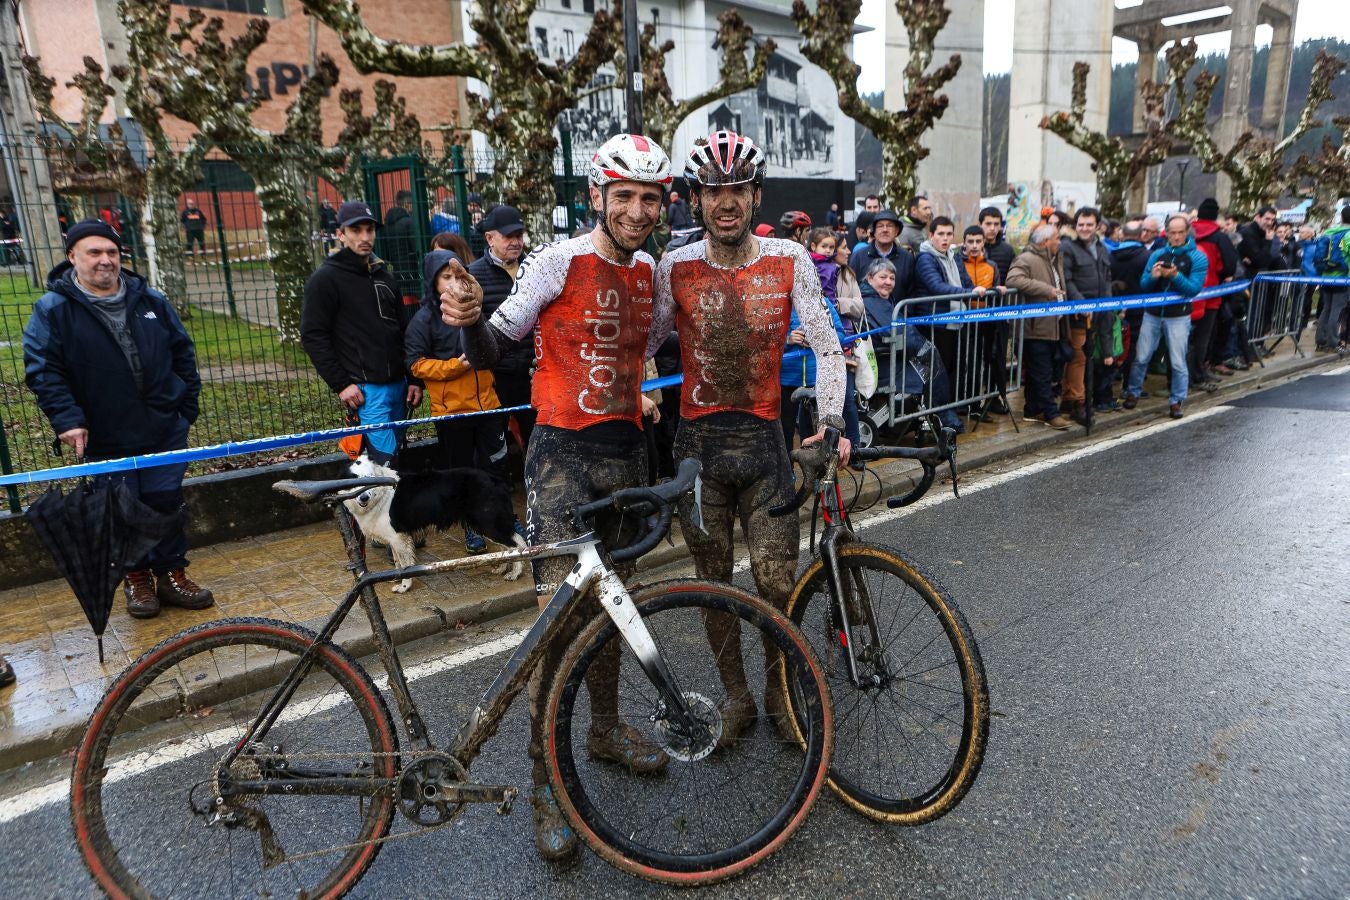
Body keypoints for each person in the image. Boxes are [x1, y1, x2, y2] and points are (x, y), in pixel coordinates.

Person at [439, 133, 674, 862]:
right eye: (625, 195)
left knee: (617, 610)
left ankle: (602, 730)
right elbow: (494, 347)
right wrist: (474, 316)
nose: (637, 210)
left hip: (626, 455)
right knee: (553, 628)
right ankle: (546, 779)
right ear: (598, 194)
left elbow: (658, 341)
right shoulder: (554, 260)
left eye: (651, 198)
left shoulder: (653, 274)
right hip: (561, 458)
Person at [646, 130, 850, 745]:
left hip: (765, 448)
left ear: (755, 196)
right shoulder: (673, 266)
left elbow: (828, 346)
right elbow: (646, 341)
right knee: (715, 589)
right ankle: (735, 697)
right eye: (713, 191)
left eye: (736, 189)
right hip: (698, 454)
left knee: (776, 584)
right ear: (695, 201)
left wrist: (832, 422)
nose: (725, 201)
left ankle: (778, 692)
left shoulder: (789, 259)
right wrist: (645, 386)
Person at [23, 219, 214, 619]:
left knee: (165, 503)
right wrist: (68, 420)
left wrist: (185, 407)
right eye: (94, 252)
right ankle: (137, 578)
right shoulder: (54, 310)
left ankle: (172, 574)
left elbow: (183, 353)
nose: (105, 260)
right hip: (106, 433)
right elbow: (44, 370)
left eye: (112, 252)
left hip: (164, 427)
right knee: (122, 509)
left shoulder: (151, 301)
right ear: (72, 256)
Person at [405, 247, 511, 553]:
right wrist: (457, 366)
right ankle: (470, 527)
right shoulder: (423, 319)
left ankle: (505, 518)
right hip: (453, 414)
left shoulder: (476, 313)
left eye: (457, 275)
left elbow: (493, 344)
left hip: (489, 407)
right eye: (445, 277)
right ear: (433, 282)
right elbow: (415, 364)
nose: (453, 282)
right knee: (460, 472)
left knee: (498, 466)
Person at [301, 200, 422, 467]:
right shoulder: (325, 280)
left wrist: (414, 378)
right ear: (341, 234)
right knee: (383, 466)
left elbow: (405, 331)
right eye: (356, 230)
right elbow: (312, 335)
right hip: (366, 392)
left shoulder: (384, 275)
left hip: (399, 387)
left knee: (396, 462)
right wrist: (341, 384)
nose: (365, 237)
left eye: (370, 229)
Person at [1123, 214, 1208, 419]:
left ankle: (1177, 400)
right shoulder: (1157, 254)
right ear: (1166, 233)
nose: (1176, 237)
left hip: (1178, 316)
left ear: (1187, 232)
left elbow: (1193, 289)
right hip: (1152, 314)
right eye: (1172, 232)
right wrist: (1153, 277)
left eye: (1180, 232)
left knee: (1178, 361)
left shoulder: (1197, 257)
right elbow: (1143, 285)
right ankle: (1133, 391)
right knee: (1141, 357)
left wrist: (1175, 276)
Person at [467, 204, 536, 451]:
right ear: (489, 238)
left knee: (537, 440)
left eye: (519, 235)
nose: (516, 242)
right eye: (509, 236)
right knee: (495, 442)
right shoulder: (474, 274)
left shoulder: (533, 268)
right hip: (496, 375)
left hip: (532, 371)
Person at [1006, 225, 1071, 429]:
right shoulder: (1026, 258)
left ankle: (1033, 409)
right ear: (1045, 241)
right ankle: (1051, 412)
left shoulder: (1054, 259)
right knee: (1042, 373)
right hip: (1035, 327)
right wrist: (1046, 290)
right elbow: (1013, 279)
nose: (1060, 242)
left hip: (1052, 325)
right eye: (1057, 238)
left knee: (1041, 372)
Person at [806, 226, 862, 447]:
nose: (848, 252)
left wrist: (835, 304)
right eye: (843, 247)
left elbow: (859, 306)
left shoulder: (846, 274)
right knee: (811, 400)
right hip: (814, 341)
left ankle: (854, 447)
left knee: (846, 398)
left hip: (844, 338)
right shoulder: (811, 267)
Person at [1058, 207, 1115, 425]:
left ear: (1097, 226)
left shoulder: (1101, 248)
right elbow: (1067, 279)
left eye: (1089, 224)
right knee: (1078, 357)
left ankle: (1070, 397)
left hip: (1099, 310)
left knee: (1085, 356)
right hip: (1078, 313)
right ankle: (1077, 402)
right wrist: (1080, 302)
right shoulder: (1068, 247)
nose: (1084, 228)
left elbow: (1106, 278)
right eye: (1081, 224)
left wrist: (1108, 302)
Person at [1190, 198, 1240, 389]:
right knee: (1203, 336)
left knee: (1188, 338)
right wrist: (1222, 275)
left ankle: (1190, 373)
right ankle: (1200, 372)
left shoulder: (1189, 232)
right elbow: (1229, 265)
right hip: (1210, 291)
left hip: (1186, 289)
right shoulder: (1219, 236)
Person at [1312, 206, 1350, 353]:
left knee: (1326, 309)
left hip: (1326, 276)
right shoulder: (1348, 235)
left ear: (1341, 217)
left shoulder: (1329, 232)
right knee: (1337, 311)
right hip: (1343, 277)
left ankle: (1321, 340)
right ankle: (1334, 342)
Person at [849, 208, 911, 287]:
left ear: (896, 231)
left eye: (889, 226)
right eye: (880, 226)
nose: (885, 230)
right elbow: (850, 288)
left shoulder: (907, 258)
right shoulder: (859, 257)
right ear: (874, 232)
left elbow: (913, 291)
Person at [382, 190, 420, 298]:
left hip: (395, 271)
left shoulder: (386, 225)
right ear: (407, 205)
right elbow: (417, 248)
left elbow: (384, 253)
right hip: (412, 271)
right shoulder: (409, 223)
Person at [978, 207, 1016, 285]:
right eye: (988, 224)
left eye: (996, 224)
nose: (992, 228)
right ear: (980, 224)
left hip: (1000, 296)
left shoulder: (1008, 251)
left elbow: (1013, 277)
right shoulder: (972, 249)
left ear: (1000, 226)